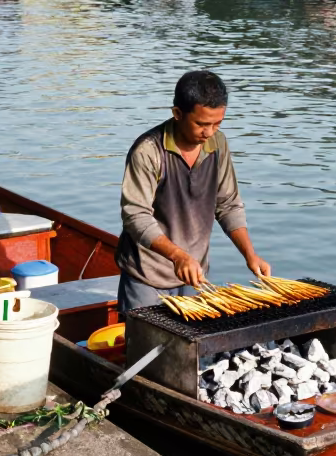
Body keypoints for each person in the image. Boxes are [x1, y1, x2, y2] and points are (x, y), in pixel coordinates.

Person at [115, 70, 270, 313]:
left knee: (191, 348)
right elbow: (136, 216)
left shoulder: (217, 144)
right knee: (146, 348)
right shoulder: (147, 151)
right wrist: (178, 256)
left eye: (217, 123)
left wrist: (250, 254)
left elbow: (227, 204)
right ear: (177, 114)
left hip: (195, 276)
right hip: (147, 276)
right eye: (201, 124)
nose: (209, 132)